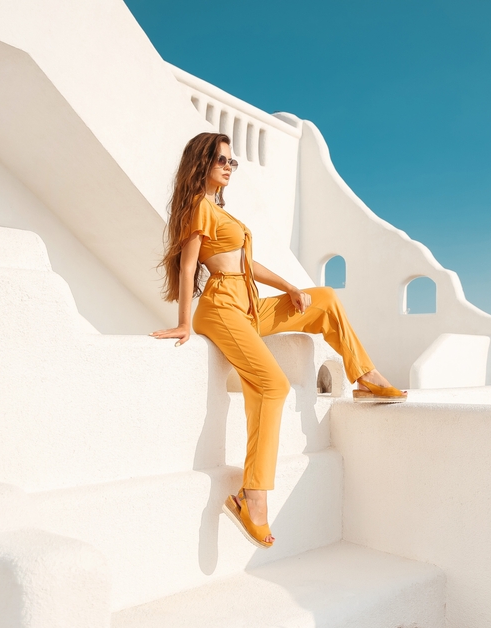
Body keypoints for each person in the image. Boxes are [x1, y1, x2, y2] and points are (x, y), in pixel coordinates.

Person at [152, 132, 406, 549]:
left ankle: (365, 376)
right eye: (222, 160)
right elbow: (187, 265)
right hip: (220, 308)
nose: (229, 167)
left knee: (323, 300)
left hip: (248, 304)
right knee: (272, 385)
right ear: (202, 162)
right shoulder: (197, 207)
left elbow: (246, 263)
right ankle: (253, 496)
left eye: (233, 161)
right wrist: (183, 322)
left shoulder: (219, 210)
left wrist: (290, 285)